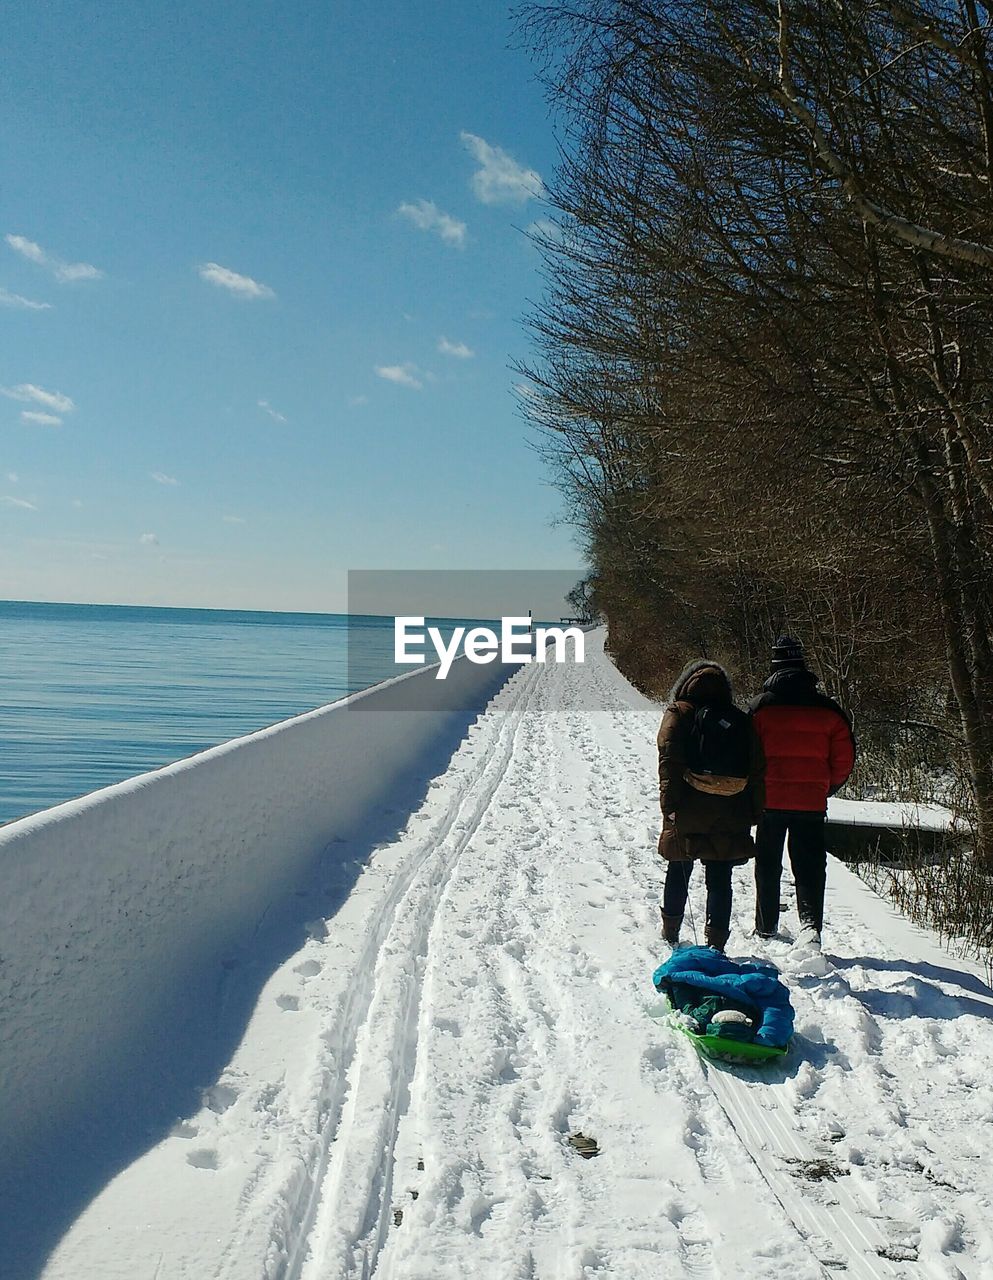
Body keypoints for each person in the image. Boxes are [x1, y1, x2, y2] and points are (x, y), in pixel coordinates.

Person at [749, 636, 856, 944]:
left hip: (769, 800)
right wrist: (824, 787)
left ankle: (766, 926)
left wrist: (754, 789)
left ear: (774, 665)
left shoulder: (760, 708)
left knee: (767, 863)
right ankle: (810, 928)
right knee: (809, 867)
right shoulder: (829, 710)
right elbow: (844, 759)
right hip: (810, 801)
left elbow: (747, 755)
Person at [657, 660, 765, 952]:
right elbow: (757, 769)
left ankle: (670, 933)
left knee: (678, 868)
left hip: (687, 806)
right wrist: (755, 810)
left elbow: (668, 761)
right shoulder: (740, 719)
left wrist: (669, 805)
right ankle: (716, 943)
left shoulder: (679, 713)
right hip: (730, 808)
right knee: (720, 877)